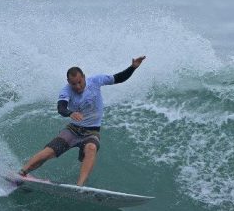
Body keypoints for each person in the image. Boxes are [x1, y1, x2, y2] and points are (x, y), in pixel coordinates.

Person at [19, 55, 146, 186]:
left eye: (80, 82)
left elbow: (118, 78)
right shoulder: (66, 90)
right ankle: (22, 173)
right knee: (49, 152)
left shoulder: (96, 81)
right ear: (68, 82)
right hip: (73, 130)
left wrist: (132, 68)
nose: (78, 86)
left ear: (84, 77)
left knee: (91, 148)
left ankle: (79, 186)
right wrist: (70, 113)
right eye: (73, 84)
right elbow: (61, 107)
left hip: (92, 132)